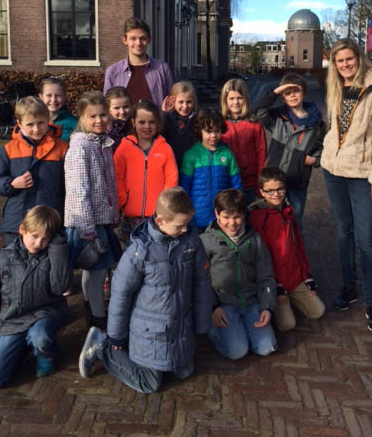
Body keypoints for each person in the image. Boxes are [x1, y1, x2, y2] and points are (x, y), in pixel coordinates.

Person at [78, 187, 212, 393]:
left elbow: (201, 283)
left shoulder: (191, 241)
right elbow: (121, 294)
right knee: (150, 383)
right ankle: (102, 346)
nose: (185, 230)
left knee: (184, 371)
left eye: (187, 224)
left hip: (179, 325)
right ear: (160, 221)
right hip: (149, 330)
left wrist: (202, 324)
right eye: (179, 226)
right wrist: (116, 335)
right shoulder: (140, 251)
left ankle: (146, 355)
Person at [321, 38, 372, 333]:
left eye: (349, 59)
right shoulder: (336, 85)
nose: (345, 65)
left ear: (359, 57)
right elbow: (334, 128)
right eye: (340, 61)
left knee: (365, 239)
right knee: (343, 232)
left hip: (363, 174)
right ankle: (348, 286)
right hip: (333, 170)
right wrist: (325, 153)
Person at [0, 206, 71, 389]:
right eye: (35, 236)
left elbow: (60, 287)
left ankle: (46, 353)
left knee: (40, 336)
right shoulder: (1, 259)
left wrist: (58, 247)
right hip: (13, 320)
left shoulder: (53, 255)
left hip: (45, 313)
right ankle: (23, 346)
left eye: (45, 239)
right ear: (22, 229)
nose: (38, 243)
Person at [64, 91, 121, 330]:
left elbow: (108, 183)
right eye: (92, 116)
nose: (99, 120)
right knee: (97, 272)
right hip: (87, 223)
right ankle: (98, 318)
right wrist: (87, 228)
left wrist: (113, 213)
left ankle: (91, 310)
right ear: (82, 118)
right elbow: (78, 190)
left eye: (103, 115)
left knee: (94, 269)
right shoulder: (80, 148)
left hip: (100, 219)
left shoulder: (102, 144)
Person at [201, 189, 277, 360]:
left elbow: (266, 275)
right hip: (224, 305)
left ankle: (242, 331)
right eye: (226, 217)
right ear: (217, 214)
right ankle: (213, 329)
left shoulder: (255, 239)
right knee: (237, 351)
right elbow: (201, 280)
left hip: (251, 302)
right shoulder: (206, 242)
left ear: (243, 214)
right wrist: (213, 307)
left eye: (236, 217)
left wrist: (267, 306)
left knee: (266, 347)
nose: (232, 223)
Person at [249, 166, 325, 331]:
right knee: (287, 325)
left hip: (294, 278)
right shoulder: (258, 218)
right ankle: (275, 303)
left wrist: (307, 277)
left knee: (317, 311)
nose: (276, 194)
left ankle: (291, 300)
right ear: (262, 192)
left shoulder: (288, 211)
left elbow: (299, 247)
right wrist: (276, 287)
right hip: (276, 282)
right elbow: (261, 258)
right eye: (270, 191)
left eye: (280, 189)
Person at [0, 96, 68, 244]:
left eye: (41, 123)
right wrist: (12, 184)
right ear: (19, 123)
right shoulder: (9, 149)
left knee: (53, 257)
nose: (36, 129)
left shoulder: (62, 147)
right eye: (30, 124)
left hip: (50, 219)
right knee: (15, 257)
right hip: (17, 220)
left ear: (48, 119)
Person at [255, 73, 325, 228]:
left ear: (304, 93)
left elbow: (324, 148)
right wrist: (276, 91)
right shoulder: (278, 117)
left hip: (297, 181)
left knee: (294, 220)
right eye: (287, 93)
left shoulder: (317, 124)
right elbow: (258, 109)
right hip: (273, 180)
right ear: (282, 97)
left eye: (296, 91)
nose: (292, 95)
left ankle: (293, 243)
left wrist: (315, 159)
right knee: (270, 219)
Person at [114, 100, 178, 242]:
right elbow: (117, 176)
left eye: (152, 122)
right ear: (133, 122)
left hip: (157, 216)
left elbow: (171, 179)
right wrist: (122, 199)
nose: (147, 126)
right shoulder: (125, 147)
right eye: (142, 122)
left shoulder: (165, 149)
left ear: (158, 123)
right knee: (131, 251)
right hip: (129, 215)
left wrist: (164, 205)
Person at [180, 108, 242, 231]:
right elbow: (184, 186)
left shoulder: (227, 154)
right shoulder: (191, 155)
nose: (213, 135)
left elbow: (236, 184)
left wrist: (237, 207)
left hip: (224, 218)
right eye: (208, 131)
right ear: (200, 130)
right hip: (197, 217)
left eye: (217, 131)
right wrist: (187, 213)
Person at [103, 17, 173, 109]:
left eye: (143, 38)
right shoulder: (113, 71)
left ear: (149, 40)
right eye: (133, 38)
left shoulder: (162, 69)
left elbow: (172, 103)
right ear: (125, 40)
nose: (138, 43)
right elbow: (106, 107)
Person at [220, 78, 266, 204]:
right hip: (226, 181)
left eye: (239, 98)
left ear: (245, 99)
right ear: (225, 100)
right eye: (231, 98)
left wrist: (260, 182)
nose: (236, 102)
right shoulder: (219, 124)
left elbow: (262, 155)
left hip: (250, 182)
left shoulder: (254, 124)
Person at [161, 80, 198, 168]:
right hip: (172, 165)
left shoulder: (198, 120)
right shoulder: (168, 119)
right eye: (181, 102)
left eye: (189, 102)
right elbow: (159, 136)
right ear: (173, 101)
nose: (185, 106)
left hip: (193, 166)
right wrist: (164, 114)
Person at [38, 76, 77, 142]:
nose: (53, 100)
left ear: (64, 97)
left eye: (58, 95)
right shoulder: (34, 121)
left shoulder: (74, 123)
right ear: (41, 97)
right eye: (49, 95)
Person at [105, 86, 132, 153]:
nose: (122, 111)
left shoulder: (136, 126)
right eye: (117, 108)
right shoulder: (106, 131)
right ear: (108, 109)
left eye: (126, 107)